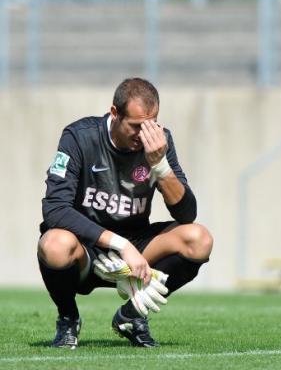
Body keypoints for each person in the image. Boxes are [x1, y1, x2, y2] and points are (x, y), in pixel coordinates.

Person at [37, 77, 213, 349]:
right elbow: (54, 208)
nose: (143, 134)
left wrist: (161, 167)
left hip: (139, 249)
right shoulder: (79, 137)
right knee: (53, 245)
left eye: (150, 124)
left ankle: (132, 316)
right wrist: (119, 244)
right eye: (135, 126)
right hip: (88, 247)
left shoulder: (159, 143)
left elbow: (187, 213)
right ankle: (68, 318)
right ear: (114, 113)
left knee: (199, 239)